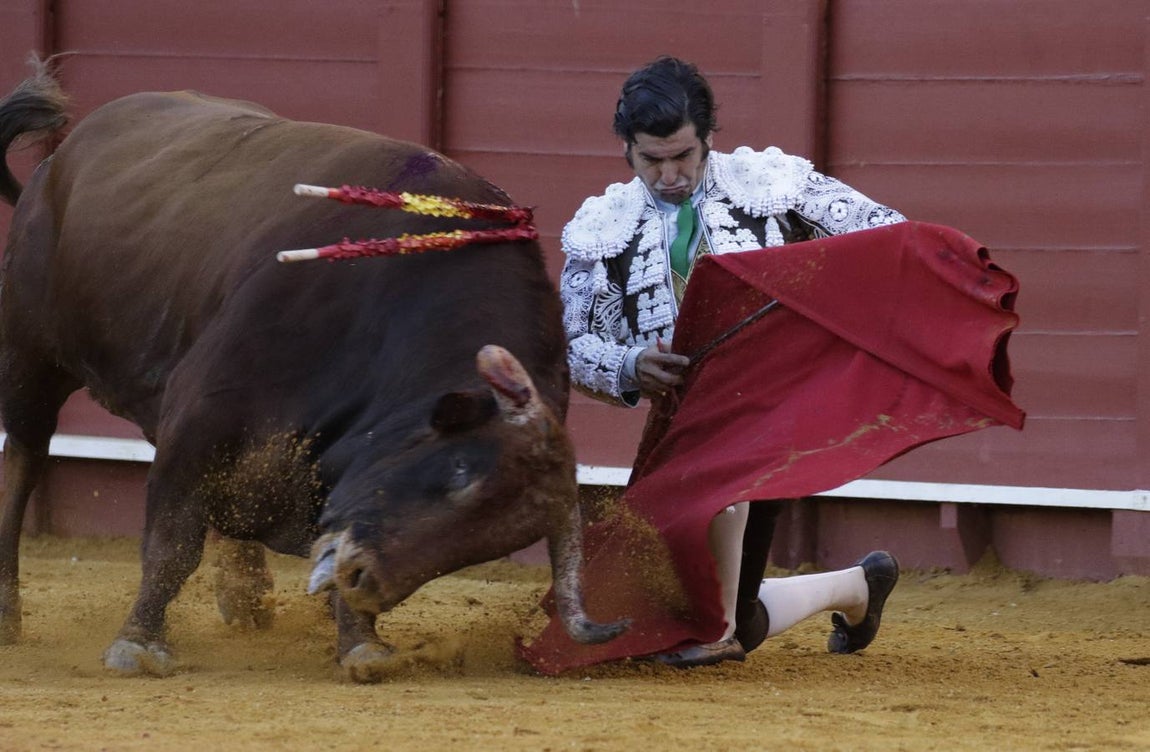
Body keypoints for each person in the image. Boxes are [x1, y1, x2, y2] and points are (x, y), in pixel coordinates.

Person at [558, 56, 904, 668]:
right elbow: (572, 345)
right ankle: (858, 586)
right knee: (723, 618)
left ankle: (717, 631)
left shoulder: (771, 185)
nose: (669, 175)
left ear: (709, 139)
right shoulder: (601, 227)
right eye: (651, 159)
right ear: (627, 152)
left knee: (707, 612)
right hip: (682, 429)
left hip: (769, 411)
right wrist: (629, 362)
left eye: (682, 156)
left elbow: (886, 239)